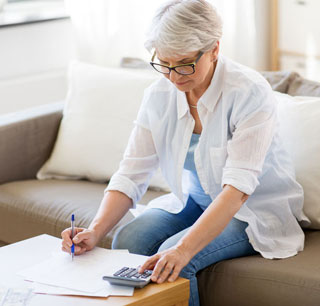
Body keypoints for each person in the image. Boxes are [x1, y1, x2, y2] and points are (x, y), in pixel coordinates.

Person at [61, 1, 310, 305]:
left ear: (214, 49)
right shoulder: (159, 94)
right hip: (196, 200)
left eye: (184, 64)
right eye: (164, 64)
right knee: (129, 239)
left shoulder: (248, 93)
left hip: (251, 210)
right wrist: (95, 230)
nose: (175, 77)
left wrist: (182, 250)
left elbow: (237, 190)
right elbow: (132, 172)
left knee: (173, 261)